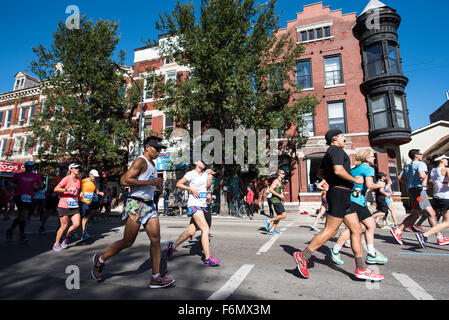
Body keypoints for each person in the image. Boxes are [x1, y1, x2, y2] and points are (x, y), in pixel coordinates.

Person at [292, 129, 384, 281]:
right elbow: (338, 169)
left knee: (356, 229)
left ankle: (361, 269)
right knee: (330, 231)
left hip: (343, 194)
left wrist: (333, 179)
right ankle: (303, 256)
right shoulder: (337, 151)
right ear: (335, 138)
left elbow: (320, 174)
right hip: (340, 193)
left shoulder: (329, 152)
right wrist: (354, 180)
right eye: (343, 136)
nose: (345, 139)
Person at [91, 136, 175, 289]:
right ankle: (100, 259)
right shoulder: (140, 161)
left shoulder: (153, 164)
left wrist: (155, 186)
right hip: (136, 204)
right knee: (128, 242)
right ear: (148, 147)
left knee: (156, 239)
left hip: (149, 205)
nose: (159, 151)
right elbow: (124, 180)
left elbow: (146, 183)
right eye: (157, 148)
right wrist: (150, 182)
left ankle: (156, 278)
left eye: (160, 149)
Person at [328, 150, 388, 266]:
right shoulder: (368, 169)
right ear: (366, 158)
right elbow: (370, 185)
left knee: (370, 225)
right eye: (372, 156)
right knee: (352, 229)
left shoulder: (354, 169)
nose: (374, 158)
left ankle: (371, 255)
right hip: (356, 202)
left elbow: (362, 186)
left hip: (355, 200)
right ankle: (335, 251)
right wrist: (379, 185)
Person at [166, 161, 220, 266]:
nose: (204, 163)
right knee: (205, 229)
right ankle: (207, 259)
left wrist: (208, 187)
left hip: (203, 205)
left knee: (191, 232)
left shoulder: (204, 174)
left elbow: (205, 188)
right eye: (202, 161)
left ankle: (172, 246)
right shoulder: (191, 174)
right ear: (196, 163)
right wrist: (190, 189)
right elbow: (179, 184)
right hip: (194, 205)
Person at [390, 149, 448, 246]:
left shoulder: (408, 166)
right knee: (431, 213)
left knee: (417, 214)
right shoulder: (421, 164)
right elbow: (422, 175)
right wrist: (433, 179)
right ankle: (437, 237)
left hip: (412, 190)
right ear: (416, 156)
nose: (422, 155)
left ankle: (398, 230)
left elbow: (400, 177)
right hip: (419, 190)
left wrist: (409, 184)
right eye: (420, 154)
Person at [416, 154, 449, 248]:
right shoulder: (446, 170)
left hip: (438, 197)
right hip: (446, 197)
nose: (447, 161)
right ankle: (424, 235)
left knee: (445, 221)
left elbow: (428, 183)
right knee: (447, 222)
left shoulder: (433, 170)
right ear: (441, 160)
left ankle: (439, 238)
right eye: (446, 159)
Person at [6, 162, 43, 243]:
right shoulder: (19, 175)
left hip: (30, 197)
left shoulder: (36, 176)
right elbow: (10, 182)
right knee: (24, 214)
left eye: (31, 167)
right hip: (19, 196)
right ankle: (22, 234)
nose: (30, 168)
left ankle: (10, 230)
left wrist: (37, 187)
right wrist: (14, 186)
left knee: (22, 216)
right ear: (25, 167)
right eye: (28, 166)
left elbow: (41, 185)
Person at [52, 164, 82, 251]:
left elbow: (77, 190)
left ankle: (65, 237)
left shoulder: (79, 179)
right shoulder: (66, 178)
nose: (78, 169)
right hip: (64, 205)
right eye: (76, 168)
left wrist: (80, 193)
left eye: (78, 168)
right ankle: (56, 244)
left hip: (74, 205)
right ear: (71, 169)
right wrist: (67, 190)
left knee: (77, 224)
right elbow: (56, 189)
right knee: (64, 226)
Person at [74, 169, 104, 240]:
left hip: (89, 202)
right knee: (83, 217)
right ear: (90, 175)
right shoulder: (83, 181)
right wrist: (80, 192)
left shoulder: (95, 183)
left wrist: (100, 193)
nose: (95, 178)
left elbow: (96, 191)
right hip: (82, 201)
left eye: (96, 177)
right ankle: (77, 232)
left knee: (85, 217)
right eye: (94, 176)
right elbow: (77, 187)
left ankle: (83, 232)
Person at [39, 167, 65, 234]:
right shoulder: (56, 178)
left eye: (65, 171)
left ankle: (59, 228)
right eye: (63, 171)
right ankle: (42, 225)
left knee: (62, 213)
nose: (64, 173)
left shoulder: (66, 178)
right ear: (60, 171)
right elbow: (51, 186)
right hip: (54, 197)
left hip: (62, 197)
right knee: (48, 212)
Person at [264, 170, 287, 235]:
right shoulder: (276, 181)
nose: (284, 175)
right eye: (283, 173)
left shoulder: (280, 181)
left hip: (278, 200)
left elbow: (278, 190)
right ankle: (268, 220)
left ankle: (272, 230)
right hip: (275, 200)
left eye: (284, 174)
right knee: (284, 215)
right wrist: (279, 195)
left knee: (279, 216)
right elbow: (270, 189)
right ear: (279, 174)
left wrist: (283, 193)